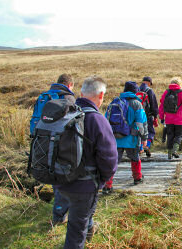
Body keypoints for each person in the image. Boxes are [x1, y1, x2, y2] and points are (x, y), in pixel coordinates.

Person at [57, 76, 118, 248]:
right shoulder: (97, 120)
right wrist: (102, 180)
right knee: (76, 229)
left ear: (81, 93)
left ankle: (89, 231)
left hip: (61, 179)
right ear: (101, 95)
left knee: (81, 215)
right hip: (84, 185)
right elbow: (109, 159)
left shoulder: (65, 114)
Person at [29, 74, 75, 226]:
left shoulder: (44, 96)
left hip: (40, 141)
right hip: (59, 143)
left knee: (53, 174)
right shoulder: (68, 98)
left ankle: (59, 210)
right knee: (62, 178)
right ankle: (59, 216)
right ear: (69, 85)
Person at [104, 81, 148, 193]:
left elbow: (105, 119)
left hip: (115, 138)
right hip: (131, 139)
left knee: (113, 162)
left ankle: (107, 185)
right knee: (135, 158)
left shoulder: (115, 102)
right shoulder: (137, 104)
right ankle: (137, 178)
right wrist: (144, 138)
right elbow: (141, 123)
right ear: (135, 91)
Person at [159, 77, 182, 159]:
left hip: (168, 118)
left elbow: (161, 106)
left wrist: (162, 117)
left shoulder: (166, 92)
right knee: (178, 135)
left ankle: (169, 153)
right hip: (180, 118)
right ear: (179, 84)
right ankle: (175, 150)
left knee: (170, 135)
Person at [138, 76, 158, 157]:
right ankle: (146, 146)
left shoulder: (137, 90)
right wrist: (155, 116)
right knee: (150, 132)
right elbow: (154, 105)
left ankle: (140, 148)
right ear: (149, 83)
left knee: (138, 132)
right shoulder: (149, 91)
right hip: (148, 115)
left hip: (138, 115)